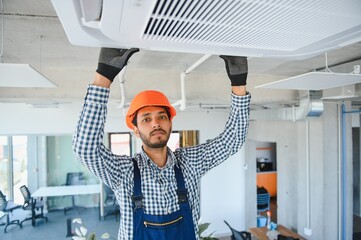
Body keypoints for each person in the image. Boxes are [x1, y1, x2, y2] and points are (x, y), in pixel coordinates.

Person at [73, 48, 251, 240]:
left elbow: (232, 140)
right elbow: (86, 149)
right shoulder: (123, 172)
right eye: (146, 119)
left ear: (170, 123)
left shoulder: (190, 163)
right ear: (135, 129)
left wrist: (238, 83)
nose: (156, 123)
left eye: (161, 116)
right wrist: (104, 76)